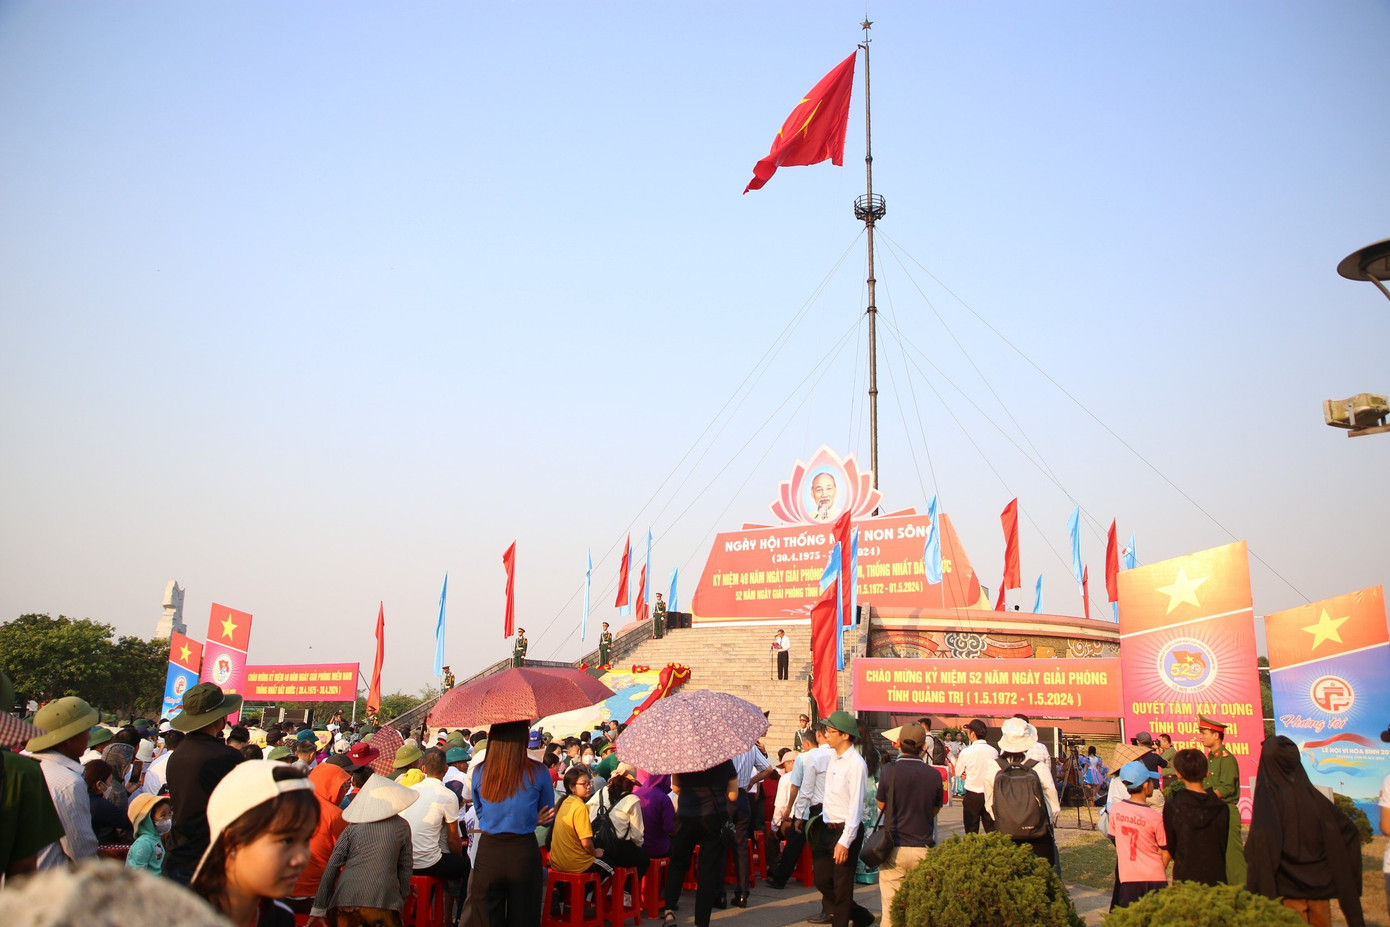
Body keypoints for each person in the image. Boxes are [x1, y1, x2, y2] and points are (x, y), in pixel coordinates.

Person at [1246, 735, 1365, 927]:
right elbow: (1348, 833)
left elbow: (1263, 847)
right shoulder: (1315, 799)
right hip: (1320, 894)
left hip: (1287, 894)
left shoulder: (1269, 799)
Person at [190, 760, 319, 927]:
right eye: (286, 840)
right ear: (232, 841)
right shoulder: (177, 919)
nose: (301, 858)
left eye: (307, 839)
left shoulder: (281, 919)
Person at [460, 720, 555, 927]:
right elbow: (549, 817)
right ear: (523, 738)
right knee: (524, 918)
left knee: (486, 919)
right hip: (523, 852)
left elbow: (481, 812)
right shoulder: (539, 771)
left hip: (489, 853)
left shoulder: (480, 772)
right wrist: (532, 818)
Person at [307, 774, 417, 927]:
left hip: (345, 900)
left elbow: (332, 866)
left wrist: (318, 908)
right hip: (383, 901)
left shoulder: (352, 828)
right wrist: (401, 898)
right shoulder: (402, 826)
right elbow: (405, 868)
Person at [166, 682, 247, 885]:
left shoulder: (177, 754)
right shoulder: (226, 757)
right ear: (219, 719)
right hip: (207, 862)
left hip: (177, 854)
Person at [811, 711, 873, 927]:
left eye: (831, 731)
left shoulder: (856, 764)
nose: (826, 735)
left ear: (845, 735)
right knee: (821, 879)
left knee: (842, 885)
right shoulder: (833, 758)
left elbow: (855, 806)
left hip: (846, 829)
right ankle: (861, 915)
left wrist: (845, 841)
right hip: (827, 828)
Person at [25, 695, 101, 869]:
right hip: (50, 880)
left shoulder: (23, 766)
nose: (89, 737)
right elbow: (81, 850)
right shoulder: (69, 783)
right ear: (69, 738)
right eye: (86, 731)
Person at [662, 755, 737, 927]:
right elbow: (733, 796)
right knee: (707, 871)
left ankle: (669, 912)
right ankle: (702, 921)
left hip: (686, 816)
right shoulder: (724, 760)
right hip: (713, 818)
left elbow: (676, 788)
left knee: (678, 864)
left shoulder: (682, 759)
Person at [876, 722, 942, 916]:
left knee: (890, 909)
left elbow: (881, 804)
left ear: (898, 743)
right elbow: (935, 809)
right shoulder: (934, 774)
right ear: (924, 746)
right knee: (920, 909)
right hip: (922, 846)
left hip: (894, 847)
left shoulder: (889, 770)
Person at [983, 717, 1059, 867]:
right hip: (1037, 835)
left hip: (1004, 833)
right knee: (1042, 874)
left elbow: (989, 803)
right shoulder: (1038, 767)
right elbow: (1052, 803)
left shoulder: (993, 766)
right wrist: (1045, 823)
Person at [288, 762, 350, 912]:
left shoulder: (289, 804)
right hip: (317, 895)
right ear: (329, 785)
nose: (344, 791)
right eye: (342, 786)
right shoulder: (334, 815)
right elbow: (345, 860)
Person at [1108, 761, 1169, 910]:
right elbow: (1165, 851)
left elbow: (1115, 838)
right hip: (1154, 878)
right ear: (1145, 785)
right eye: (1151, 781)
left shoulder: (1115, 811)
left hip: (1128, 877)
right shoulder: (1155, 817)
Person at [1162, 748, 1228, 885]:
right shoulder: (1221, 807)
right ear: (1206, 772)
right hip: (1216, 877)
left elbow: (1172, 844)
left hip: (1185, 876)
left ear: (1178, 774)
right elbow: (1222, 843)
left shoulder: (1173, 805)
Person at [1197, 715, 1245, 885]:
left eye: (1204, 733)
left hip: (1225, 810)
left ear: (1216, 735)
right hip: (1212, 810)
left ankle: (1241, 891)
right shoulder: (1210, 759)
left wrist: (1203, 798)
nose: (1201, 737)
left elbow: (1227, 788)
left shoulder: (1226, 758)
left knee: (1233, 858)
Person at [729, 743, 770, 906]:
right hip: (743, 797)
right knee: (741, 847)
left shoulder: (724, 745)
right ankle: (742, 893)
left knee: (719, 844)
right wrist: (751, 781)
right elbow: (768, 769)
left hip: (726, 796)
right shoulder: (750, 746)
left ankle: (718, 893)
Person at [955, 719, 997, 835]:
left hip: (972, 794)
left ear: (973, 733)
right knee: (991, 830)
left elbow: (958, 772)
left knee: (971, 831)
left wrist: (965, 774)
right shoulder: (993, 752)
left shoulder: (967, 752)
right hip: (989, 794)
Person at [84, 758, 133, 843]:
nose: (111, 786)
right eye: (110, 782)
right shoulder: (99, 805)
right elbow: (128, 822)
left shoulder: (83, 797)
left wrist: (126, 792)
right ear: (99, 785)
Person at [126, 793, 173, 875]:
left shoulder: (156, 838)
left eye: (170, 813)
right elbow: (137, 873)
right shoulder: (144, 843)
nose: (168, 818)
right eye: (163, 815)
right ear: (148, 819)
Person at [636, 773, 675, 862]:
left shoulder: (635, 794)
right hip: (658, 848)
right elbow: (670, 828)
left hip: (638, 848)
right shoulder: (664, 799)